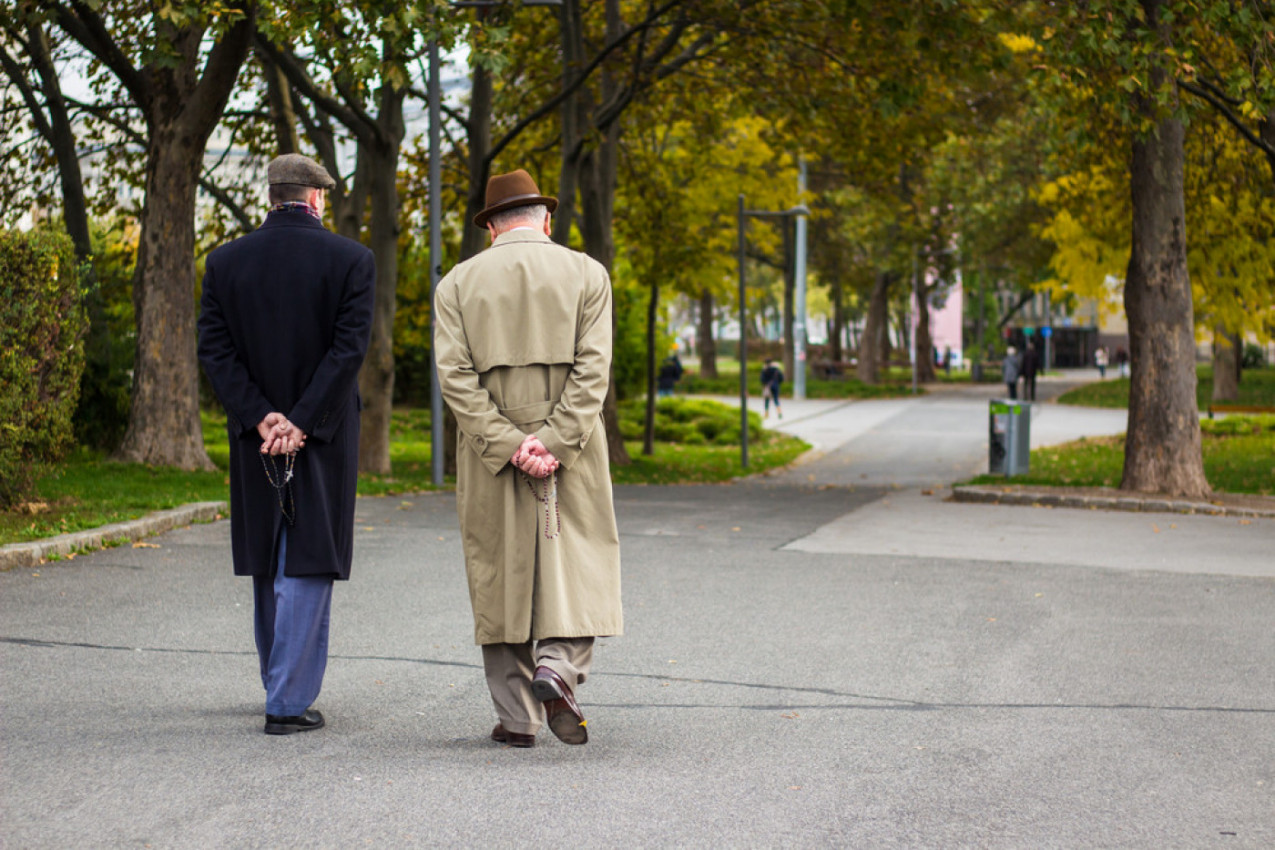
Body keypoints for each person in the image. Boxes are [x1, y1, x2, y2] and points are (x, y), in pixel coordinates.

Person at [434, 169, 623, 749]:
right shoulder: (588, 274)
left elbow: (455, 377)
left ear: (491, 227)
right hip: (573, 447)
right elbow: (594, 370)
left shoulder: (457, 285)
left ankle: (517, 717)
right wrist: (556, 440)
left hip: (491, 450)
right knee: (582, 559)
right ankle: (558, 668)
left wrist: (510, 442)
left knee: (499, 570)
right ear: (545, 218)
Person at [198, 154, 375, 735]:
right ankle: (287, 702)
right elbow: (347, 352)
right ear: (317, 198)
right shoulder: (352, 260)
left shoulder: (225, 262)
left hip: (257, 435)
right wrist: (301, 421)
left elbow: (216, 353)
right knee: (307, 556)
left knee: (268, 556)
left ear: (271, 198)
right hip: (321, 433)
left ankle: (277, 679)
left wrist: (262, 418)